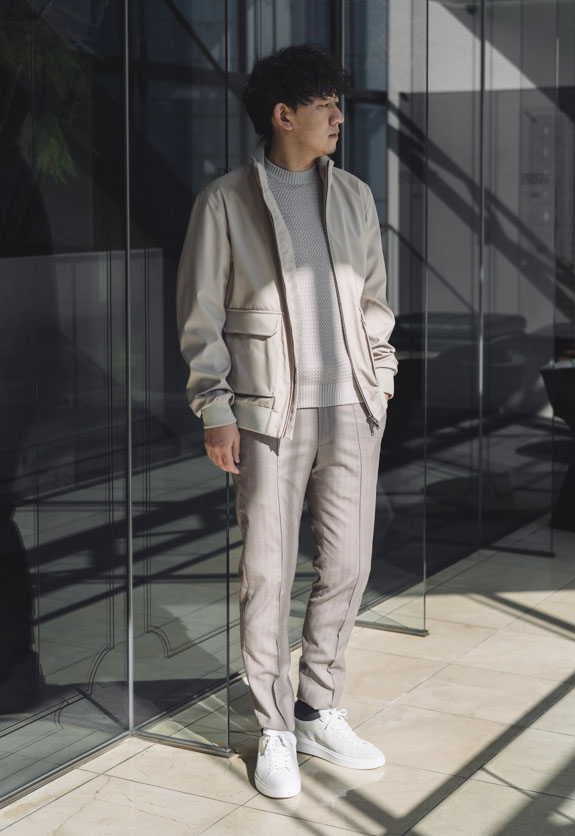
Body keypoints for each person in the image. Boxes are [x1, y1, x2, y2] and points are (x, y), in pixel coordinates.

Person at [176, 43, 397, 799]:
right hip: (270, 414)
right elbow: (201, 317)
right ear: (284, 115)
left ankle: (316, 708)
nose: (339, 118)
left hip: (353, 409)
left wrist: (381, 379)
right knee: (268, 573)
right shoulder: (224, 202)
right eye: (325, 105)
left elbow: (374, 302)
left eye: (338, 104)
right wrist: (216, 409)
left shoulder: (356, 197)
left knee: (349, 566)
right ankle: (273, 726)